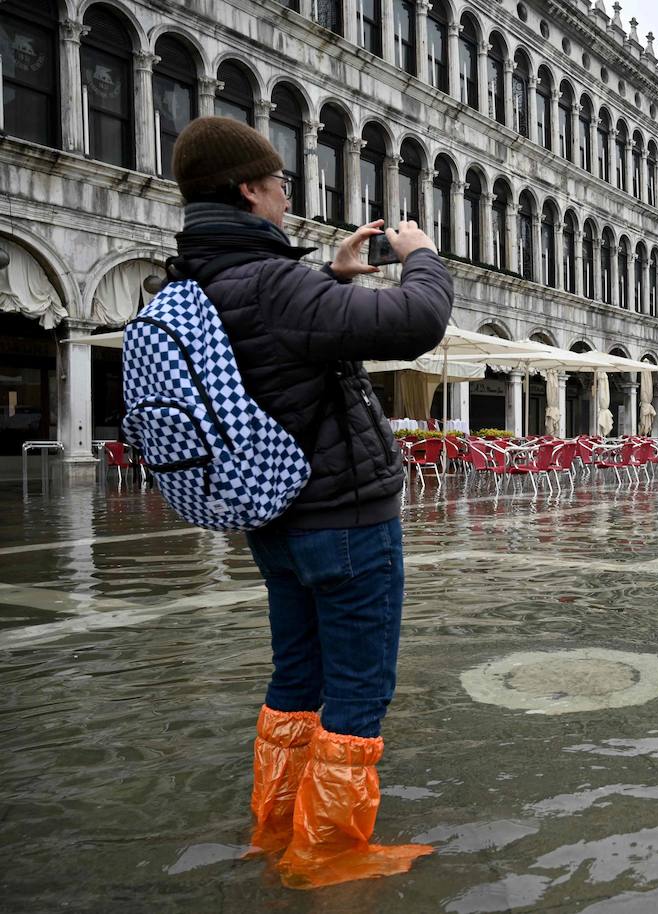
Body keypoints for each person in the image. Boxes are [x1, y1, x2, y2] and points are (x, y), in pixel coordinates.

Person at [168, 116, 453, 889]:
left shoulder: (195, 280)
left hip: (275, 515)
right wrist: (420, 254)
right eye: (282, 182)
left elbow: (277, 364)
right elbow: (416, 321)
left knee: (296, 677)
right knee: (359, 686)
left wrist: (328, 278)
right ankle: (328, 852)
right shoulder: (270, 282)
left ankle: (276, 826)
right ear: (249, 190)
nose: (288, 195)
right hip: (344, 517)